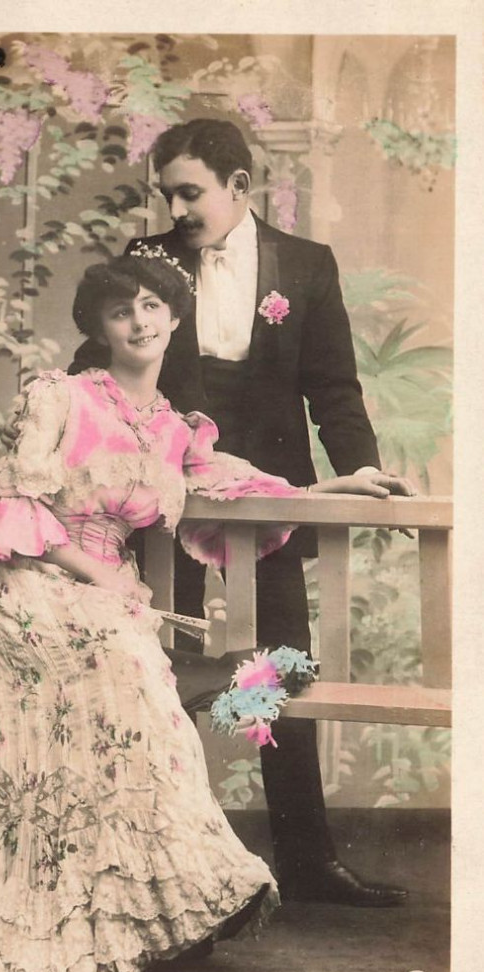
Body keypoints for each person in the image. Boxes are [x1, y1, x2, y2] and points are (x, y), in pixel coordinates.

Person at [0, 256, 403, 972]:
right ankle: (159, 890)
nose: (140, 321)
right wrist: (103, 576)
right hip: (34, 587)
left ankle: (170, 895)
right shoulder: (62, 398)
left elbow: (240, 481)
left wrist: (335, 485)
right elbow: (22, 506)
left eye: (154, 307)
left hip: (107, 599)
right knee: (126, 658)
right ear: (100, 327)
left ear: (175, 319)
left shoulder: (175, 430)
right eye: (122, 312)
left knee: (128, 658)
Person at [71, 118, 414, 907]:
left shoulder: (305, 264)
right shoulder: (150, 265)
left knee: (280, 667)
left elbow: (333, 386)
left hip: (272, 499)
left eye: (192, 191)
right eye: (168, 193)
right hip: (175, 494)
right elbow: (100, 359)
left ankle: (306, 860)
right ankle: (175, 866)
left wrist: (358, 465)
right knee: (170, 672)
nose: (179, 207)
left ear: (241, 187)